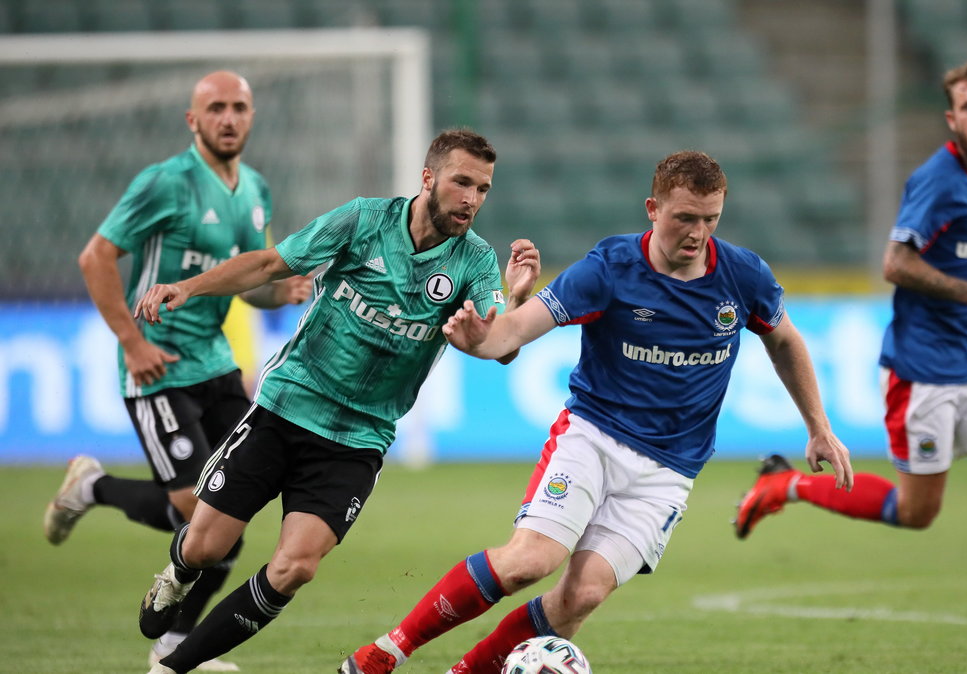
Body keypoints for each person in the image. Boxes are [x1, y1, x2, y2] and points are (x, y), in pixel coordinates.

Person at [339, 150, 854, 674]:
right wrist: (482, 337)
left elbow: (785, 340)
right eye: (685, 218)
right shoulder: (609, 270)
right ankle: (384, 653)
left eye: (710, 219)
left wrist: (819, 428)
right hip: (593, 438)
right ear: (653, 209)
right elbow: (511, 334)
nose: (698, 233)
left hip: (668, 471)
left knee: (583, 595)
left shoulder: (744, 277)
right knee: (529, 562)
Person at [131, 128, 540, 674]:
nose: (471, 198)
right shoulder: (362, 221)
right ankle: (177, 575)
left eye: (483, 188)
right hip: (287, 405)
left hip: (358, 438)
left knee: (295, 566)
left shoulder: (475, 262)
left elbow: (499, 345)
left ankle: (175, 666)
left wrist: (514, 303)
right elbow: (271, 265)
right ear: (428, 178)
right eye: (461, 182)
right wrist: (189, 288)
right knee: (206, 548)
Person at [733, 54, 967, 656]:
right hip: (920, 373)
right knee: (916, 512)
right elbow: (896, 264)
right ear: (951, 118)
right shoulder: (936, 181)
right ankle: (785, 486)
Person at [47, 70, 311, 672]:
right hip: (158, 367)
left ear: (251, 116)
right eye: (214, 108)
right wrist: (131, 341)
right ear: (192, 121)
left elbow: (249, 284)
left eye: (238, 107)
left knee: (231, 512)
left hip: (215, 364)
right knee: (200, 510)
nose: (228, 118)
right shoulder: (165, 183)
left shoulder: (255, 189)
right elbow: (96, 257)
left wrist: (282, 290)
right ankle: (92, 487)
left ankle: (171, 646)